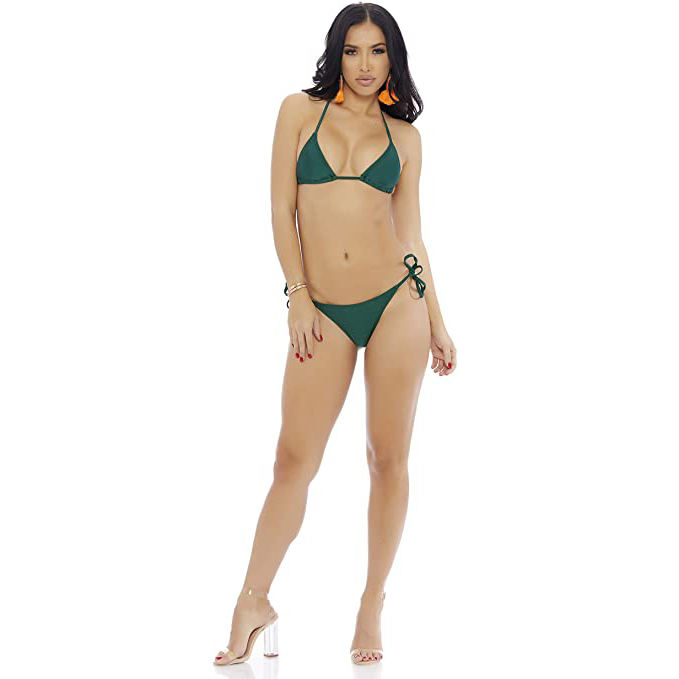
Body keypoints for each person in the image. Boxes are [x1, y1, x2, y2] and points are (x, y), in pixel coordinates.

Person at [214, 2, 456, 667]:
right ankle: (252, 600)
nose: (364, 64)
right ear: (335, 54)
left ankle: (370, 603)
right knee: (292, 460)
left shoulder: (405, 138)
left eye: (377, 51)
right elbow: (280, 206)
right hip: (321, 308)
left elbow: (411, 236)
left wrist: (437, 320)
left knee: (387, 459)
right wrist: (296, 294)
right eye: (352, 50)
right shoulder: (298, 112)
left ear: (392, 59)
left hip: (396, 305)